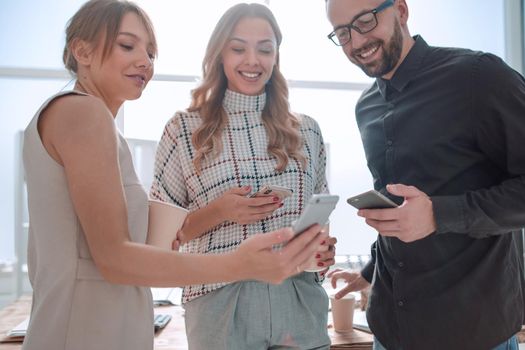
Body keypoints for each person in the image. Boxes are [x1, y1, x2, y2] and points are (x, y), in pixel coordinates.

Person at [21, 1, 329, 349]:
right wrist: (236, 262)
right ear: (82, 50)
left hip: (101, 323)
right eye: (127, 45)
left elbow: (135, 248)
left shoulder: (95, 124)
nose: (145, 61)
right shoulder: (84, 112)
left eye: (150, 52)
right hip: (85, 329)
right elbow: (115, 258)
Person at [324, 0, 525, 349]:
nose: (356, 42)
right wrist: (368, 272)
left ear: (400, 11)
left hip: (473, 333)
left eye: (365, 22)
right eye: (343, 33)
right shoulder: (366, 107)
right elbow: (400, 211)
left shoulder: (480, 77)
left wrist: (438, 215)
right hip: (390, 332)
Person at [150, 3, 335, 349]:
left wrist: (320, 251)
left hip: (299, 299)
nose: (253, 60)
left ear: (276, 55)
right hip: (220, 302)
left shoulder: (307, 130)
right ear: (220, 53)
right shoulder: (183, 129)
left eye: (265, 49)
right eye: (238, 48)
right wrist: (219, 211)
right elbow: (162, 242)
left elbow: (318, 220)